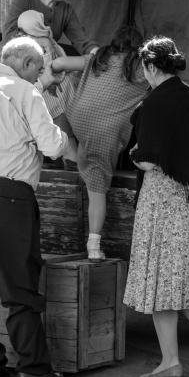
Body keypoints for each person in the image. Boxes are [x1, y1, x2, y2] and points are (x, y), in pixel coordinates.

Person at [0, 36, 79, 377]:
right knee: (20, 283)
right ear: (27, 65)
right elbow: (51, 145)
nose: (40, 74)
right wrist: (62, 135)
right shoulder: (28, 93)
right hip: (10, 193)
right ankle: (33, 367)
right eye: (38, 68)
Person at [123, 36, 189, 377]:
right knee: (171, 281)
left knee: (160, 280)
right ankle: (187, 351)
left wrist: (134, 155)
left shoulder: (154, 102)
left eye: (144, 67)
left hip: (161, 200)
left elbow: (150, 159)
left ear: (151, 67)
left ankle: (185, 352)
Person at [50, 26, 148, 261]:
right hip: (104, 131)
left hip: (77, 117)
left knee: (59, 116)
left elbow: (59, 63)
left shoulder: (98, 57)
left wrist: (54, 76)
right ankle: (94, 247)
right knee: (97, 191)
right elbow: (167, 84)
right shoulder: (141, 67)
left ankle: (71, 159)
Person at [1, 0, 99, 154]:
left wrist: (99, 55)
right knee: (58, 87)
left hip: (44, 65)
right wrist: (41, 43)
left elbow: (81, 40)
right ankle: (63, 148)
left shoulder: (66, 10)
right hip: (18, 66)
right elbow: (9, 35)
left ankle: (66, 145)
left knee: (71, 85)